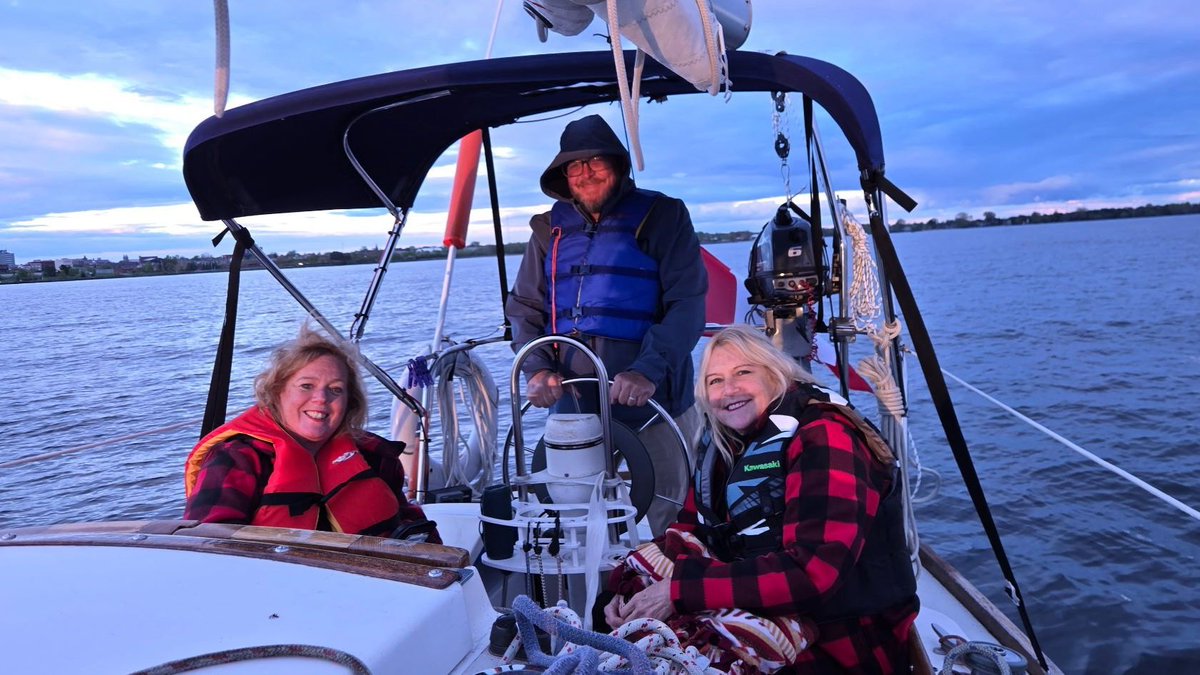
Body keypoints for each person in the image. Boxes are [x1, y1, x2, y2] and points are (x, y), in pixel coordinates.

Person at [602, 325, 917, 673]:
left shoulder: (827, 437)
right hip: (763, 607)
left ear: (774, 372)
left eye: (743, 372)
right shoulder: (726, 441)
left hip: (843, 636)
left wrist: (678, 591)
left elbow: (813, 572)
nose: (728, 390)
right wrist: (632, 589)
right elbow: (690, 528)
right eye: (715, 381)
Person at [505, 114, 707, 536]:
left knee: (665, 511)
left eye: (595, 161)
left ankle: (662, 590)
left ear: (617, 165)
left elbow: (687, 304)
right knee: (574, 513)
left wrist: (647, 371)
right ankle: (592, 596)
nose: (585, 173)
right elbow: (525, 306)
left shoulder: (664, 215)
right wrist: (538, 368)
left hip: (653, 401)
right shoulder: (548, 230)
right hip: (573, 400)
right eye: (574, 166)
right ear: (563, 175)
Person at [184, 324, 440, 542]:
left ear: (350, 402)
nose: (321, 399)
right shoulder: (236, 459)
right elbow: (208, 550)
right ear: (276, 392)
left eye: (336, 389)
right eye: (306, 386)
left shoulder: (374, 456)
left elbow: (409, 524)